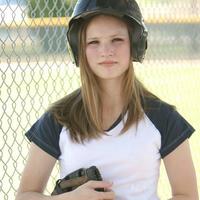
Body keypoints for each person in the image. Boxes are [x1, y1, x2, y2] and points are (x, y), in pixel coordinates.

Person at [15, 0, 199, 199]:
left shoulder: (163, 117)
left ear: (135, 43)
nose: (106, 51)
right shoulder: (60, 117)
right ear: (80, 50)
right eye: (93, 42)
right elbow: (25, 195)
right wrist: (69, 198)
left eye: (117, 40)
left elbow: (187, 195)